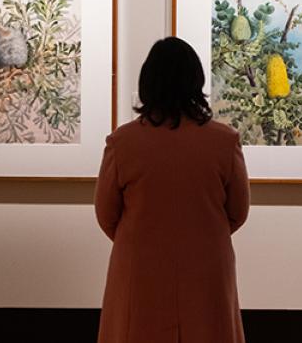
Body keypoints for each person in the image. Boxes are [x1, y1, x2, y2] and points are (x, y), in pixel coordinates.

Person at [95, 37, 250, 343]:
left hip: (139, 266)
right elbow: (237, 212)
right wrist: (201, 236)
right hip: (206, 265)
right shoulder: (224, 141)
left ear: (147, 82)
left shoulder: (122, 143)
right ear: (196, 80)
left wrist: (145, 239)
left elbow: (107, 215)